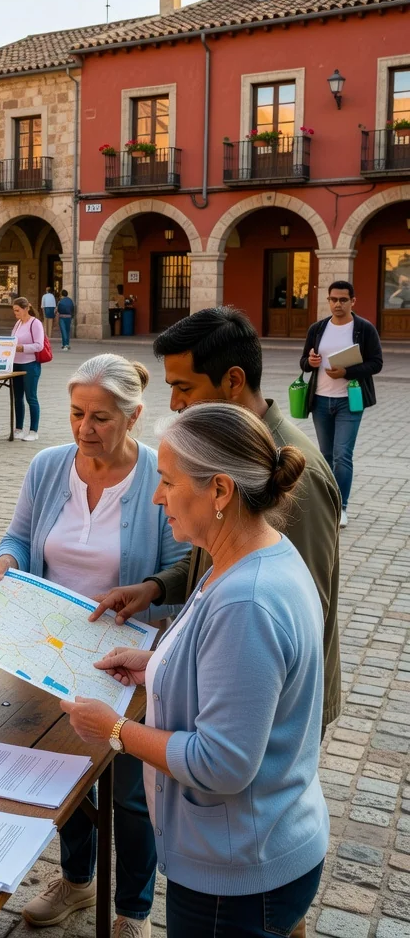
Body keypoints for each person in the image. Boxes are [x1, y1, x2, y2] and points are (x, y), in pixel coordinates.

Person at [65, 403, 328, 937]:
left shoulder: (245, 601)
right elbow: (227, 668)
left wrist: (113, 730)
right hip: (255, 845)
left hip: (238, 876)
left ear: (221, 491)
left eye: (167, 481)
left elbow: (222, 762)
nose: (158, 496)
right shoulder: (249, 556)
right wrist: (155, 663)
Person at [0, 355, 189, 938]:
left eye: (100, 417)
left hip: (128, 659)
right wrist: (7, 561)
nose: (84, 429)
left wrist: (146, 592)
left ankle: (134, 911)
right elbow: (20, 534)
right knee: (62, 777)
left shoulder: (158, 475)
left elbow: (182, 564)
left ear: (134, 417)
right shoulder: (49, 466)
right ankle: (77, 883)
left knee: (130, 796)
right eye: (76, 414)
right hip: (50, 648)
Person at [92, 307, 343, 734]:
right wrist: (157, 587)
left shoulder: (296, 475)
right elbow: (217, 555)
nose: (174, 404)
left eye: (184, 387)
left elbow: (299, 611)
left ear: (233, 381)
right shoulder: (217, 450)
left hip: (268, 712)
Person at [299, 280, 383, 527]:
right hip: (321, 401)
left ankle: (341, 507)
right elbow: (304, 361)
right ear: (329, 300)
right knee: (325, 456)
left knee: (342, 455)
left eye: (343, 300)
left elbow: (376, 363)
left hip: (350, 400)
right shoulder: (318, 328)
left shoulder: (364, 329)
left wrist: (347, 371)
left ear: (352, 301)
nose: (338, 304)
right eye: (333, 299)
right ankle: (326, 505)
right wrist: (310, 362)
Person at [11, 296, 43, 441]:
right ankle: (18, 428)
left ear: (25, 309)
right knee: (17, 397)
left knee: (31, 397)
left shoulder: (35, 323)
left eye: (17, 310)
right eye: (14, 310)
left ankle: (33, 431)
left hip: (30, 364)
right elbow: (11, 341)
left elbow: (39, 345)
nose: (15, 313)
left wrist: (21, 348)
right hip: (15, 364)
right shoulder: (18, 324)